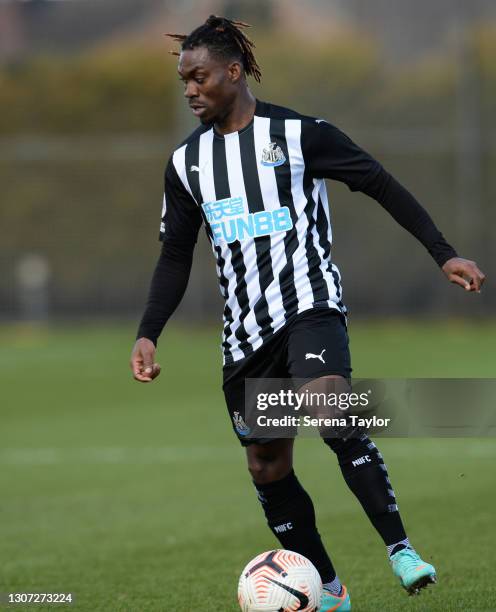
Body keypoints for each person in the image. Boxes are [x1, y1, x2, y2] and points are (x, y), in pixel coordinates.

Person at [130, 15, 485, 612]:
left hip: (309, 306)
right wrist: (148, 333)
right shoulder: (187, 164)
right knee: (267, 466)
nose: (189, 90)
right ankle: (326, 587)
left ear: (234, 72)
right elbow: (174, 255)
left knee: (330, 405)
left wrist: (443, 254)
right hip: (244, 336)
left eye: (199, 77)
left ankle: (401, 550)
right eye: (183, 81)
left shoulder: (299, 135)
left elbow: (378, 182)